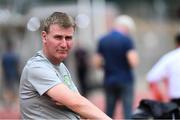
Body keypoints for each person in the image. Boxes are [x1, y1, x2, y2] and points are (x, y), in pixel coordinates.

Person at [19, 12, 111, 120]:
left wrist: (71, 102)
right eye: (58, 37)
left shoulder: (61, 67)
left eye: (68, 38)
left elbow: (78, 105)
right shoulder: (36, 68)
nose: (64, 44)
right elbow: (77, 104)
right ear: (44, 37)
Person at [93, 15, 139, 119]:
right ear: (127, 27)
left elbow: (96, 62)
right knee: (127, 111)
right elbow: (133, 62)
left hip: (109, 79)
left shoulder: (103, 40)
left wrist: (107, 66)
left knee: (109, 111)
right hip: (125, 79)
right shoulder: (127, 40)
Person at [147, 33, 180, 106]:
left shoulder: (170, 58)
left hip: (176, 98)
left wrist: (159, 96)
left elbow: (151, 77)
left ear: (176, 43)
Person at [1, 41, 20, 108]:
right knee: (14, 89)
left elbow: (3, 67)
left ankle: (7, 103)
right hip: (14, 75)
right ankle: (13, 103)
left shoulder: (4, 56)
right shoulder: (15, 55)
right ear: (12, 47)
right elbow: (17, 66)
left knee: (8, 89)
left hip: (7, 75)